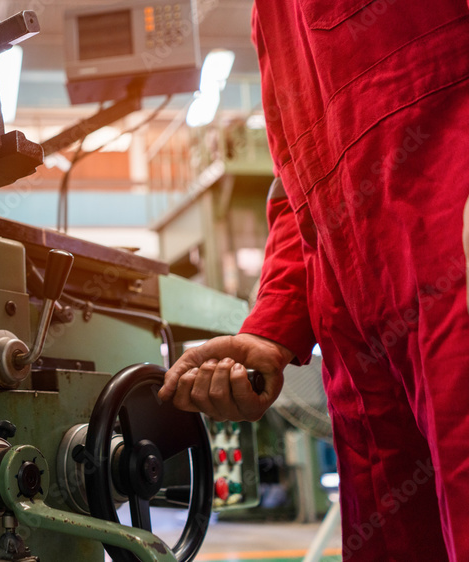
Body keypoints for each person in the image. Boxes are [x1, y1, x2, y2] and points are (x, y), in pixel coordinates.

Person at [158, 1, 469, 559]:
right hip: (360, 354)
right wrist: (272, 328)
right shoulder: (270, 16)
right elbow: (295, 191)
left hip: (453, 265)